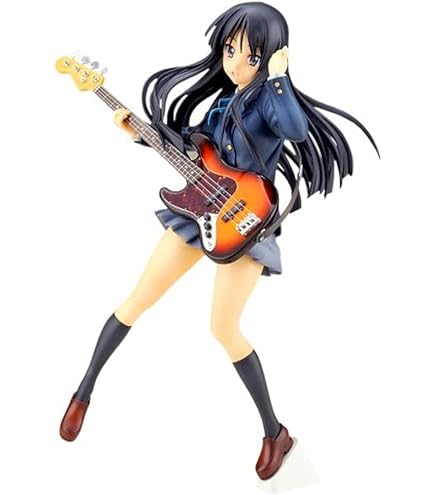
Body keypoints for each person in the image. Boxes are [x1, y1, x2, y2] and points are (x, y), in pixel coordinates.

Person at [59, 2, 379, 481]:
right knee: (136, 299)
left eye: (251, 56)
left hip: (246, 223)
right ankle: (83, 392)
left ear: (272, 57)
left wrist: (278, 78)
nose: (235, 63)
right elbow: (196, 149)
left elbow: (294, 129)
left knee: (224, 329)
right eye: (231, 50)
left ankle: (275, 433)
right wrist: (140, 133)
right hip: (200, 210)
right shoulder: (223, 104)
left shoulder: (271, 99)